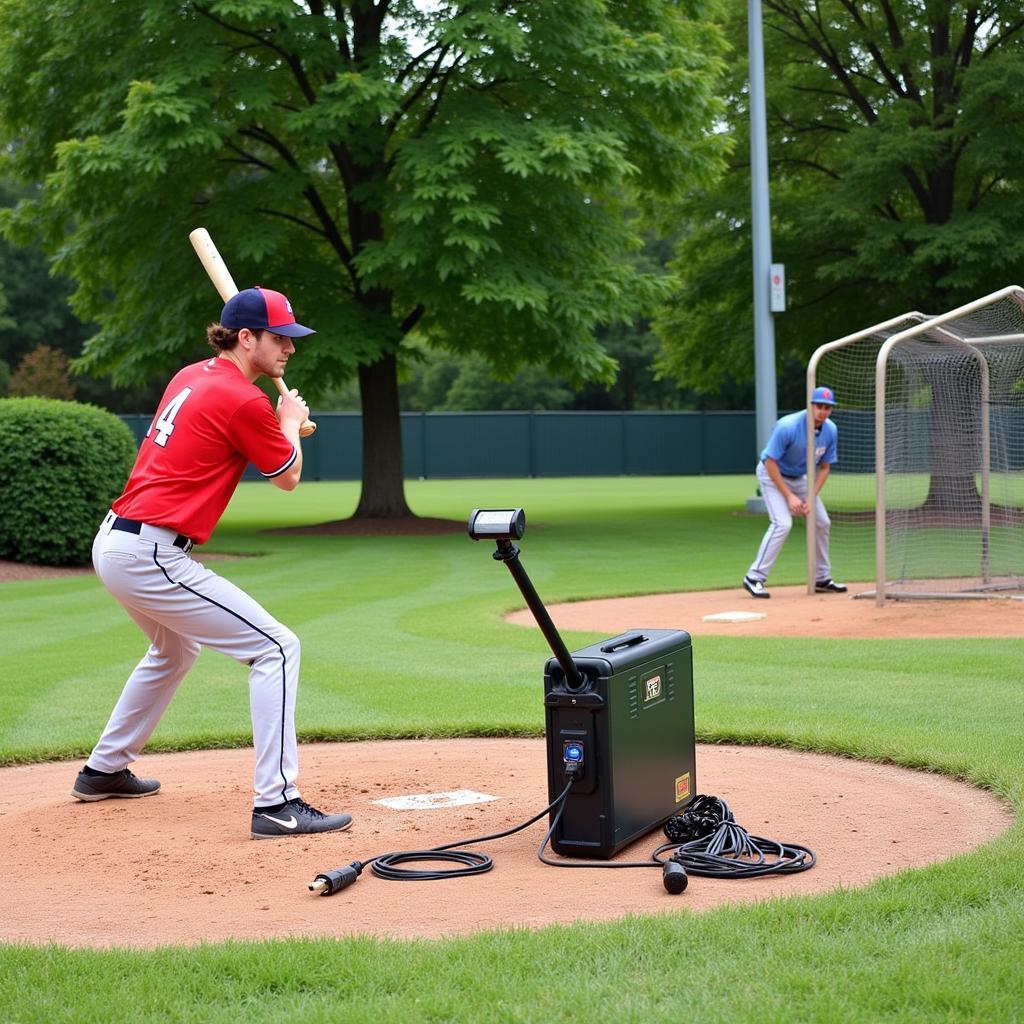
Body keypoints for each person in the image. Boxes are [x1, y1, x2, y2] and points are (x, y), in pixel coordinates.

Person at [73, 286, 353, 840]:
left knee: (175, 647)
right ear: (245, 338)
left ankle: (103, 769)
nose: (290, 349)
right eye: (279, 338)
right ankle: (278, 804)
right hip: (151, 550)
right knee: (275, 647)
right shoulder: (245, 400)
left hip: (117, 542)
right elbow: (288, 478)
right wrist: (288, 421)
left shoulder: (192, 374)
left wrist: (278, 424)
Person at [742, 386, 847, 599]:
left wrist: (809, 496)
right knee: (783, 523)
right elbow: (770, 461)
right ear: (811, 405)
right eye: (820, 406)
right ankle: (754, 577)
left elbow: (825, 467)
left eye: (828, 407)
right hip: (772, 474)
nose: (823, 411)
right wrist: (789, 497)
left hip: (799, 478)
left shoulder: (830, 430)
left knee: (822, 522)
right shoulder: (788, 426)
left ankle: (821, 578)